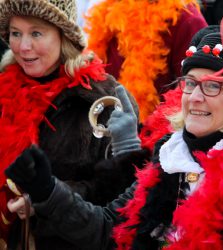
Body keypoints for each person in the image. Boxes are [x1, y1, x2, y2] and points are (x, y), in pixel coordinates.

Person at [5, 11, 223, 250]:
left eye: (213, 87)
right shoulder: (170, 161)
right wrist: (46, 189)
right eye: (190, 83)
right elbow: (108, 231)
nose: (196, 97)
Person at [0, 0, 143, 249]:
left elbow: (119, 189)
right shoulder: (4, 89)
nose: (23, 46)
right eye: (15, 33)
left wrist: (44, 197)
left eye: (36, 33)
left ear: (64, 36)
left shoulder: (104, 98)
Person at [84, 0, 207, 122]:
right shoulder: (108, 11)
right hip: (102, 126)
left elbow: (197, 92)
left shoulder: (187, 20)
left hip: (152, 134)